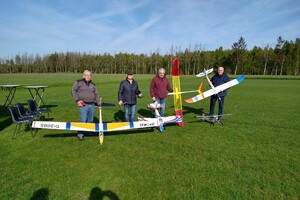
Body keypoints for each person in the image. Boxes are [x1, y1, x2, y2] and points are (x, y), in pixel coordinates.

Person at [71, 70, 101, 141]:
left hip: (92, 104)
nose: (88, 76)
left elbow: (96, 94)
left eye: (89, 75)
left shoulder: (93, 84)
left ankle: (88, 132)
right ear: (83, 76)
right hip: (83, 104)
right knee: (83, 120)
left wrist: (99, 104)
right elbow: (73, 90)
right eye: (86, 75)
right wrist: (77, 100)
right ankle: (80, 134)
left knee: (90, 120)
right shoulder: (78, 82)